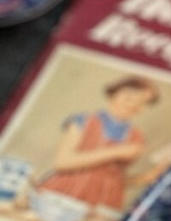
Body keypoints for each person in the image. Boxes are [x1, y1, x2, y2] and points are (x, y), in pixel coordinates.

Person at [35, 76, 161, 212]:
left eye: (143, 103)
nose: (133, 105)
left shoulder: (136, 137)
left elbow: (113, 180)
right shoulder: (83, 121)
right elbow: (62, 162)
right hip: (66, 193)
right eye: (129, 97)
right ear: (113, 93)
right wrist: (117, 151)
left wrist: (145, 178)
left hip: (105, 202)